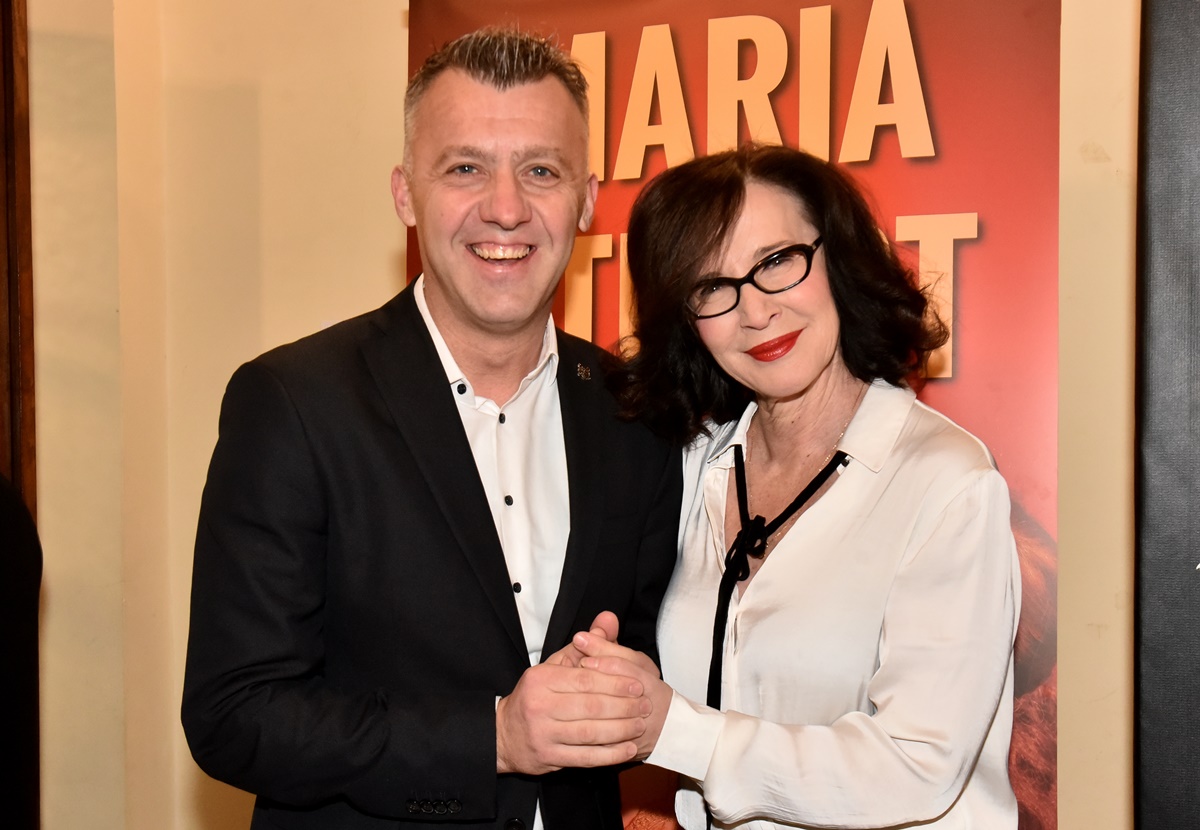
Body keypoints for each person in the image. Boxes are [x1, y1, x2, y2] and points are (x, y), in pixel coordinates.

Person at [181, 27, 681, 830]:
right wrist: (491, 739)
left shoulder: (637, 411)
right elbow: (235, 715)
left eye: (541, 171)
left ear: (587, 200)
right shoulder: (295, 404)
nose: (506, 209)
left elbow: (658, 655)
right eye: (465, 168)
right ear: (406, 194)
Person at [572, 144, 1021, 828]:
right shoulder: (693, 467)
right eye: (711, 287)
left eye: (777, 261)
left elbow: (916, 765)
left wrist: (678, 732)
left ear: (838, 258)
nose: (755, 312)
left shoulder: (948, 482)